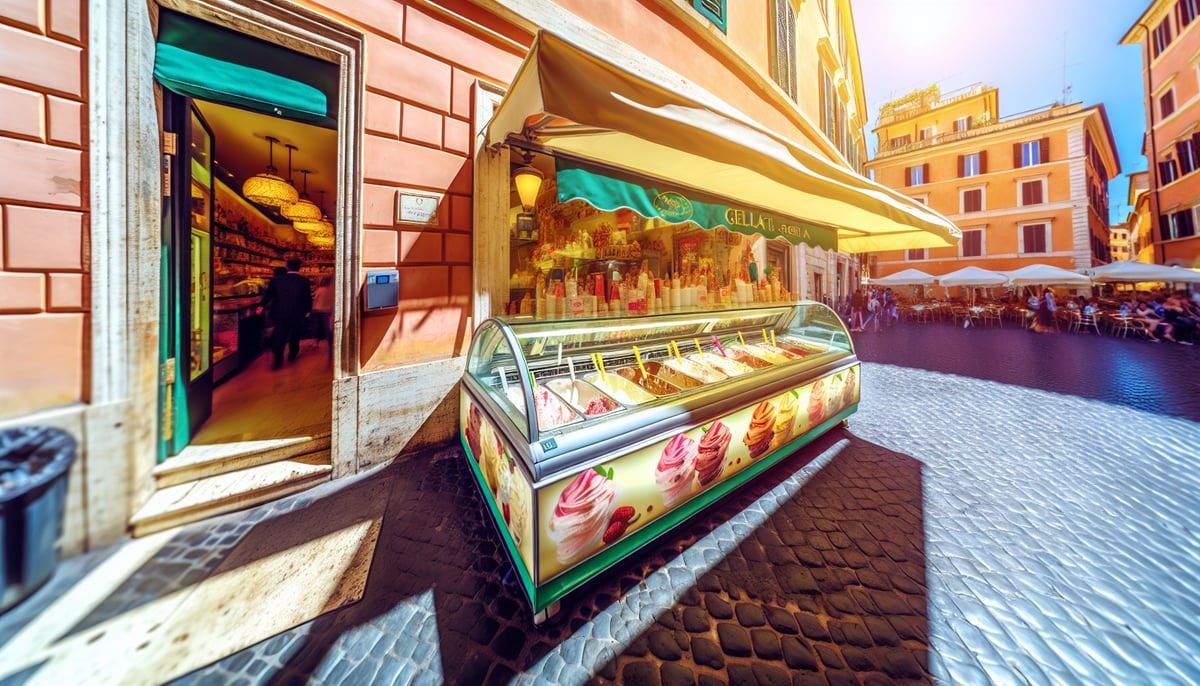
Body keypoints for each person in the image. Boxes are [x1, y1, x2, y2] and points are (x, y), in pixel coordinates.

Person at [258, 258, 312, 369]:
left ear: (287, 267)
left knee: (280, 334)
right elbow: (307, 298)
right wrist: (308, 310)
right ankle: (292, 354)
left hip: (280, 312)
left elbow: (269, 295)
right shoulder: (304, 281)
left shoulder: (276, 280)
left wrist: (261, 306)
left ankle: (278, 359)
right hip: (297, 312)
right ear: (299, 267)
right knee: (295, 334)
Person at [311, 275, 334, 351]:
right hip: (328, 310)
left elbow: (314, 298)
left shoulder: (319, 289)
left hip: (317, 309)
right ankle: (330, 343)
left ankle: (316, 342)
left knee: (317, 327)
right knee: (327, 328)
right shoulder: (332, 290)